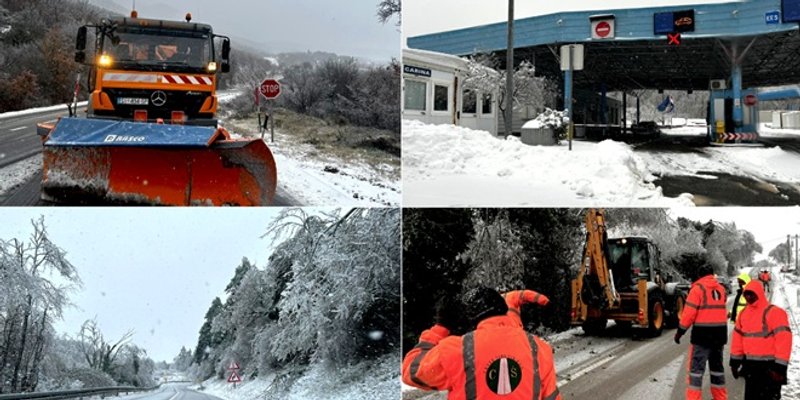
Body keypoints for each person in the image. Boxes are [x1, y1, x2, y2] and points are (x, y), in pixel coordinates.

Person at [402, 286, 559, 400]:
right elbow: (552, 397)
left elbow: (410, 371)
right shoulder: (538, 348)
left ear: (470, 319)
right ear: (504, 311)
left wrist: (440, 327)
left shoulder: (458, 350)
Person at [729, 280, 792, 400]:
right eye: (746, 294)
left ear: (759, 293)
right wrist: (734, 363)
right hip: (751, 367)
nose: (748, 297)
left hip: (770, 367)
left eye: (751, 294)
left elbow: (784, 340)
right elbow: (737, 340)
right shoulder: (743, 314)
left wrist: (780, 367)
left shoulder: (774, 312)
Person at [674, 262, 728, 400]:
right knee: (717, 370)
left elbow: (689, 314)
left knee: (696, 372)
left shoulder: (697, 289)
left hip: (702, 337)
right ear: (712, 274)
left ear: (700, 275)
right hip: (719, 337)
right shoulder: (721, 289)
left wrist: (680, 332)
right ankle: (720, 398)